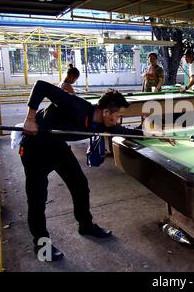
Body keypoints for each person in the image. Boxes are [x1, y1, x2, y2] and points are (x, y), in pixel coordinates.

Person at [20, 80, 146, 262]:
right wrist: (30, 119)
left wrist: (149, 135)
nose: (117, 120)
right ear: (105, 112)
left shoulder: (103, 123)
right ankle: (41, 244)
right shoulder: (75, 105)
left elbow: (121, 129)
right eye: (116, 116)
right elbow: (41, 86)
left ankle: (85, 225)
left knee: (79, 184)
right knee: (37, 198)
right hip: (35, 146)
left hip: (57, 146)